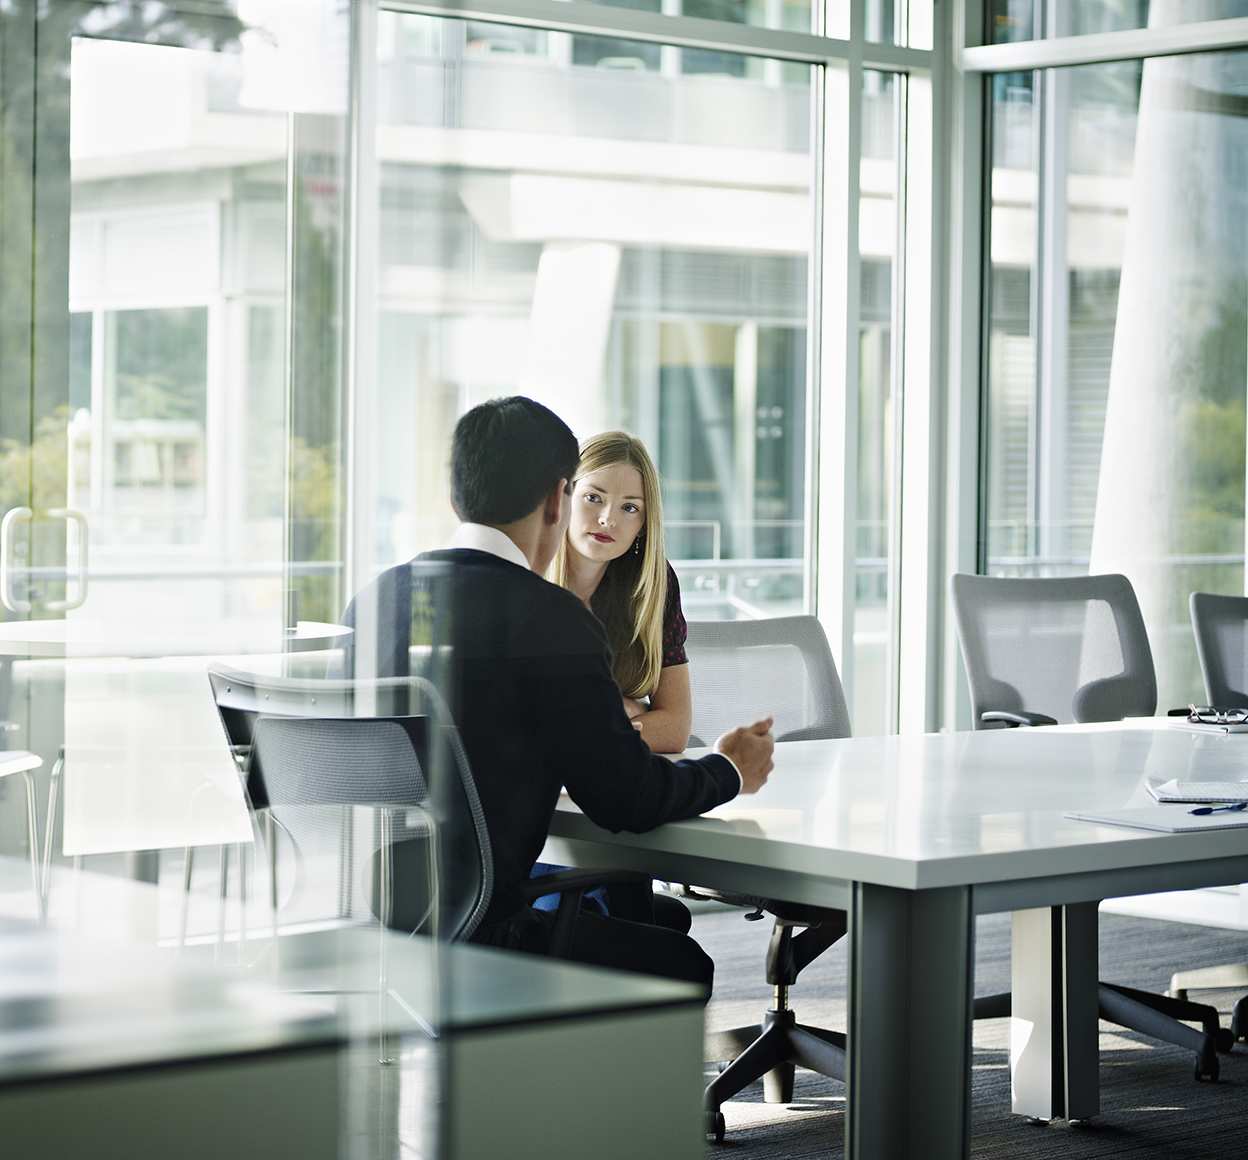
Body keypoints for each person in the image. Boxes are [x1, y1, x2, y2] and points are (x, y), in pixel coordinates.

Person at [342, 396, 774, 989]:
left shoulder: (374, 600)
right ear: (557, 500)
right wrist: (728, 768)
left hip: (383, 911)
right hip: (484, 929)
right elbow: (627, 800)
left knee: (657, 923)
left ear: (454, 498)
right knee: (680, 968)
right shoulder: (548, 616)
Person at [548, 431, 690, 754]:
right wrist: (618, 712)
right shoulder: (526, 574)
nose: (607, 519)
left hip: (615, 783)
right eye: (593, 497)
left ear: (643, 523)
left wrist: (589, 726)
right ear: (565, 494)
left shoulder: (653, 582)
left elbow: (676, 727)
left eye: (629, 508)